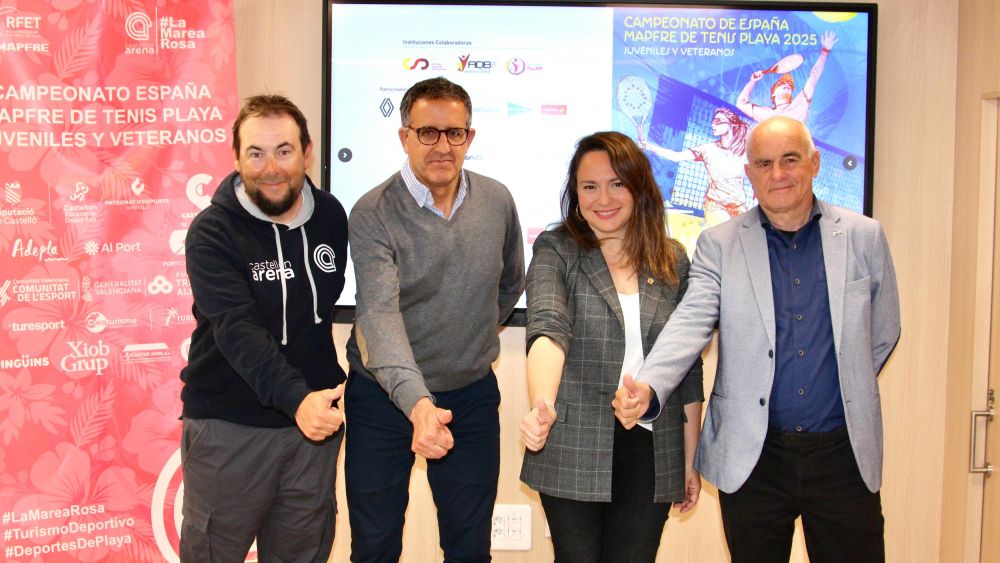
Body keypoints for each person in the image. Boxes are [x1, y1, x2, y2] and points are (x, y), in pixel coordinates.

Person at [613, 116, 900, 563]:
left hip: (843, 455)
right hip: (754, 458)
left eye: (790, 160)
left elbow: (883, 330)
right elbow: (691, 321)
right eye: (764, 163)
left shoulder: (863, 236)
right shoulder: (719, 244)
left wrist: (847, 381)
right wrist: (650, 385)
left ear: (815, 163)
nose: (778, 174)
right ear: (748, 173)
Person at [344, 76, 525, 563]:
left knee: (470, 549)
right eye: (427, 132)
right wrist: (419, 404)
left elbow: (510, 284)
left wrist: (467, 337)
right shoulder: (372, 213)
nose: (442, 146)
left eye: (455, 133)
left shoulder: (497, 201)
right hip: (381, 400)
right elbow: (378, 317)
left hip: (470, 397)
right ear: (404, 137)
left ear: (470, 137)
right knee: (375, 546)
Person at [519, 131, 704, 563]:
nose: (603, 198)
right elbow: (548, 327)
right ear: (576, 193)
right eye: (590, 186)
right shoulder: (556, 249)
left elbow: (688, 366)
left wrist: (690, 459)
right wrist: (542, 404)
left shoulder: (672, 260)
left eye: (617, 183)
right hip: (572, 440)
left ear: (639, 188)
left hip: (654, 448)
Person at [179, 95, 348, 561]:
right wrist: (298, 400)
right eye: (255, 153)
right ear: (236, 158)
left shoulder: (331, 216)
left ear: (306, 153)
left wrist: (313, 401)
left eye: (284, 151)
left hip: (312, 432)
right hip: (229, 428)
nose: (271, 168)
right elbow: (237, 330)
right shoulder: (212, 231)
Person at [642, 108, 751, 227]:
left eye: (718, 121)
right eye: (713, 121)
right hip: (715, 206)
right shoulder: (707, 149)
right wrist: (648, 146)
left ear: (731, 125)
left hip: (739, 206)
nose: (713, 124)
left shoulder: (745, 150)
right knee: (729, 232)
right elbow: (676, 156)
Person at [736, 31, 838, 124]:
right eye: (780, 84)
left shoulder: (800, 104)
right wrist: (752, 81)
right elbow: (740, 104)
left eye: (789, 85)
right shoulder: (765, 114)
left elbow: (814, 76)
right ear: (773, 94)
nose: (786, 84)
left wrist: (825, 51)